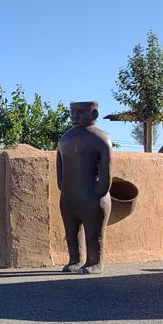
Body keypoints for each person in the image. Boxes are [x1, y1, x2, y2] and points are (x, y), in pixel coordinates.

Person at [57, 101, 112, 274]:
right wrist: (63, 187)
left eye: (80, 112)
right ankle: (75, 259)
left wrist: (100, 191)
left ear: (94, 114)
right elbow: (59, 163)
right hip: (69, 197)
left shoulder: (100, 139)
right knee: (71, 232)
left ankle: (95, 261)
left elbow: (107, 169)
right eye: (73, 112)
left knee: (94, 233)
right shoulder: (65, 138)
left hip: (93, 197)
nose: (75, 115)